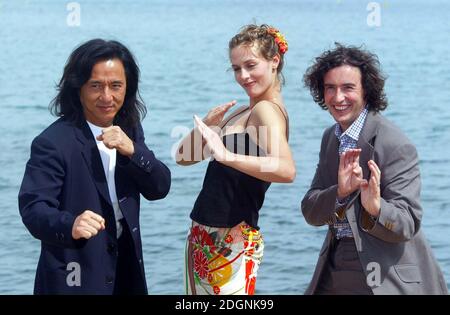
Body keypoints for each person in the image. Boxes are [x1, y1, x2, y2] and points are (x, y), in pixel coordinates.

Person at [18, 39, 171, 294]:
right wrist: (70, 224)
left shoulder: (130, 129)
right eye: (96, 86)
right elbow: (33, 209)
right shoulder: (52, 142)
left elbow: (159, 187)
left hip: (127, 269)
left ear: (128, 88)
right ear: (78, 88)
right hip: (75, 275)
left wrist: (132, 151)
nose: (107, 97)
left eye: (116, 86)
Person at [301, 43, 448, 294]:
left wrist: (376, 208)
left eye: (348, 88)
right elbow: (311, 212)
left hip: (385, 272)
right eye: (330, 88)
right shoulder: (330, 138)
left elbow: (407, 223)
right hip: (334, 265)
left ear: (366, 91)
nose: (338, 98)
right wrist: (339, 193)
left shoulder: (395, 144)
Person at [175, 24, 295, 295]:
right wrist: (205, 125)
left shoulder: (267, 111)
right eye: (236, 68)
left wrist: (227, 155)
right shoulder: (240, 111)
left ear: (274, 61)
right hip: (204, 237)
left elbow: (286, 170)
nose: (244, 76)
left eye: (251, 65)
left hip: (231, 240)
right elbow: (183, 157)